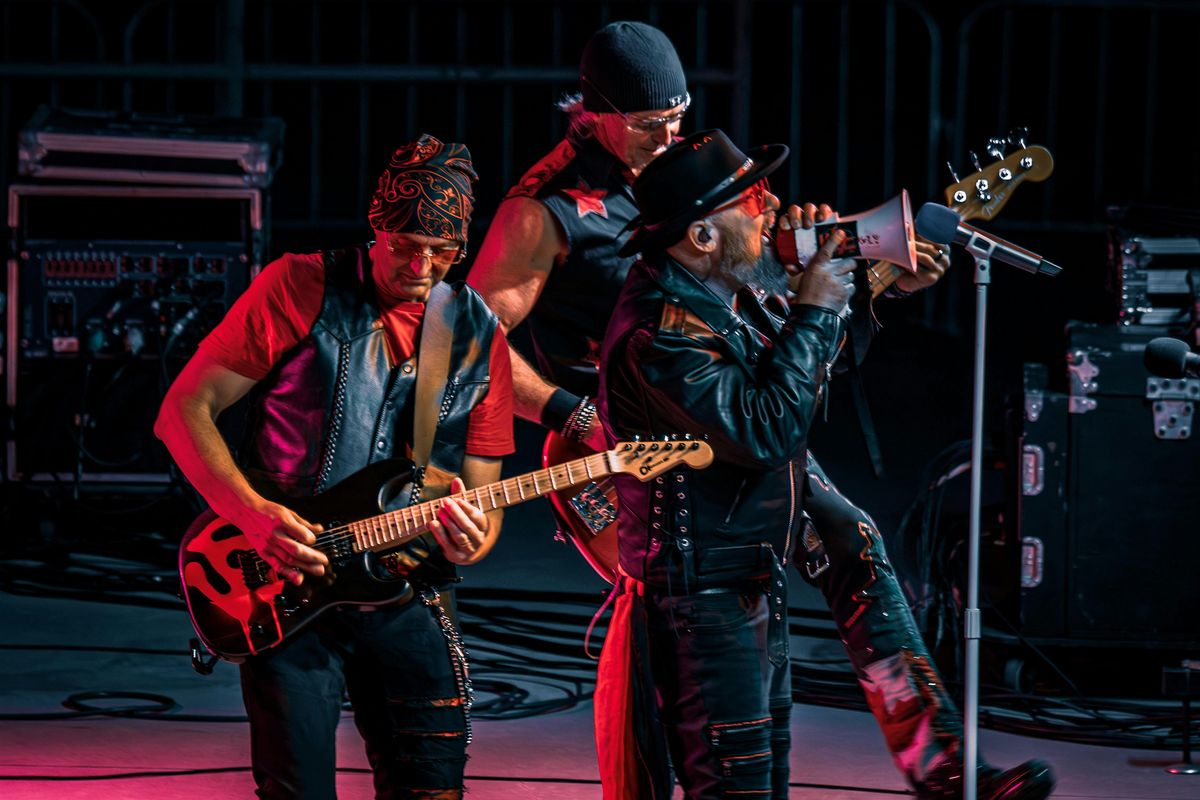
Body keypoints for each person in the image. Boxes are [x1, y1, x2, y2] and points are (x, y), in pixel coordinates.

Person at [467, 20, 1054, 800]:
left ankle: (943, 765)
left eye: (677, 118)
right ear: (593, 111)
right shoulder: (543, 210)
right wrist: (573, 412)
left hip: (726, 423)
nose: (668, 137)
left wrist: (872, 273)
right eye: (646, 125)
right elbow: (470, 340)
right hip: (623, 449)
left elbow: (767, 298)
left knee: (853, 543)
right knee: (662, 615)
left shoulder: (698, 176)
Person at [156, 135, 513, 799]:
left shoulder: (477, 332)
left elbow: (483, 503)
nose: (421, 265)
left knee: (433, 788)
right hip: (288, 580)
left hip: (411, 592)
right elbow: (183, 411)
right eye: (404, 244)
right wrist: (251, 515)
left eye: (442, 251)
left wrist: (474, 538)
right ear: (376, 227)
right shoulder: (300, 284)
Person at [596, 126, 853, 798]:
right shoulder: (663, 334)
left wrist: (830, 294)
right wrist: (815, 311)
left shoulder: (720, 297)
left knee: (763, 783)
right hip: (704, 604)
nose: (773, 212)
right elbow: (768, 430)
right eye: (754, 203)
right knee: (735, 786)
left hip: (746, 582)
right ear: (704, 235)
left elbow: (803, 383)